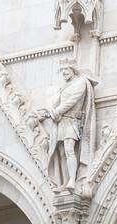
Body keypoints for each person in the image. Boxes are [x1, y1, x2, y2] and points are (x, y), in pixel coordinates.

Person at [36, 61, 97, 191]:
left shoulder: (81, 83)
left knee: (69, 149)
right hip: (61, 122)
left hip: (72, 121)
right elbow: (56, 103)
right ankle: (64, 182)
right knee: (62, 152)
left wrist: (56, 112)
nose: (63, 72)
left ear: (72, 69)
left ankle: (72, 181)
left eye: (66, 69)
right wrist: (47, 112)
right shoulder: (65, 86)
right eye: (62, 70)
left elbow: (71, 102)